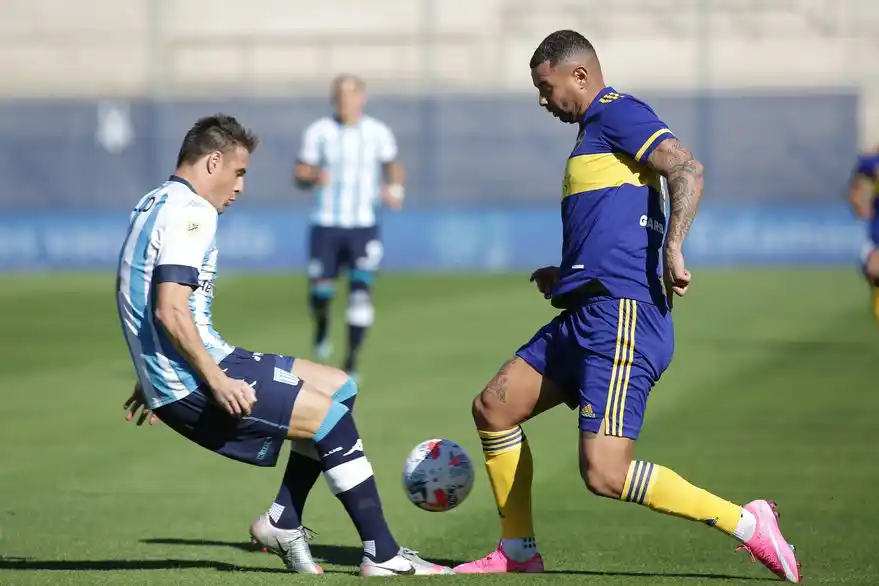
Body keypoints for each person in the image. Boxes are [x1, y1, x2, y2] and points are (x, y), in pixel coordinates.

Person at [451, 30, 801, 583]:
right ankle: (518, 552)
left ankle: (748, 523)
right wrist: (565, 276)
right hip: (585, 311)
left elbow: (686, 169)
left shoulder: (616, 112)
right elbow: (615, 225)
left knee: (605, 474)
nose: (544, 100)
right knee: (494, 408)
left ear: (580, 76)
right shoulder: (595, 133)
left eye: (547, 87)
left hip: (623, 318)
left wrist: (675, 244)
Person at [117, 114, 448, 577]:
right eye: (239, 172)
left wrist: (148, 367)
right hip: (197, 377)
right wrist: (213, 380)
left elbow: (138, 284)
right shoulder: (194, 211)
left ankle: (282, 519)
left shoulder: (154, 201)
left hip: (185, 367)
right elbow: (169, 308)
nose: (239, 187)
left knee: (339, 388)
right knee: (330, 419)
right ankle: (382, 554)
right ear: (214, 161)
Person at [295, 74, 404, 381]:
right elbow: (300, 171)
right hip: (326, 224)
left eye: (352, 95)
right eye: (341, 96)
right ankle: (321, 325)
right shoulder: (319, 132)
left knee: (360, 294)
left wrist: (394, 188)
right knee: (321, 292)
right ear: (334, 99)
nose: (346, 101)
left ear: (362, 98)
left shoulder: (377, 132)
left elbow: (392, 164)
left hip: (363, 227)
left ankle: (351, 361)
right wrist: (312, 176)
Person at [848, 146, 879, 324]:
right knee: (874, 267)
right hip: (877, 239)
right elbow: (856, 192)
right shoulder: (871, 163)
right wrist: (860, 203)